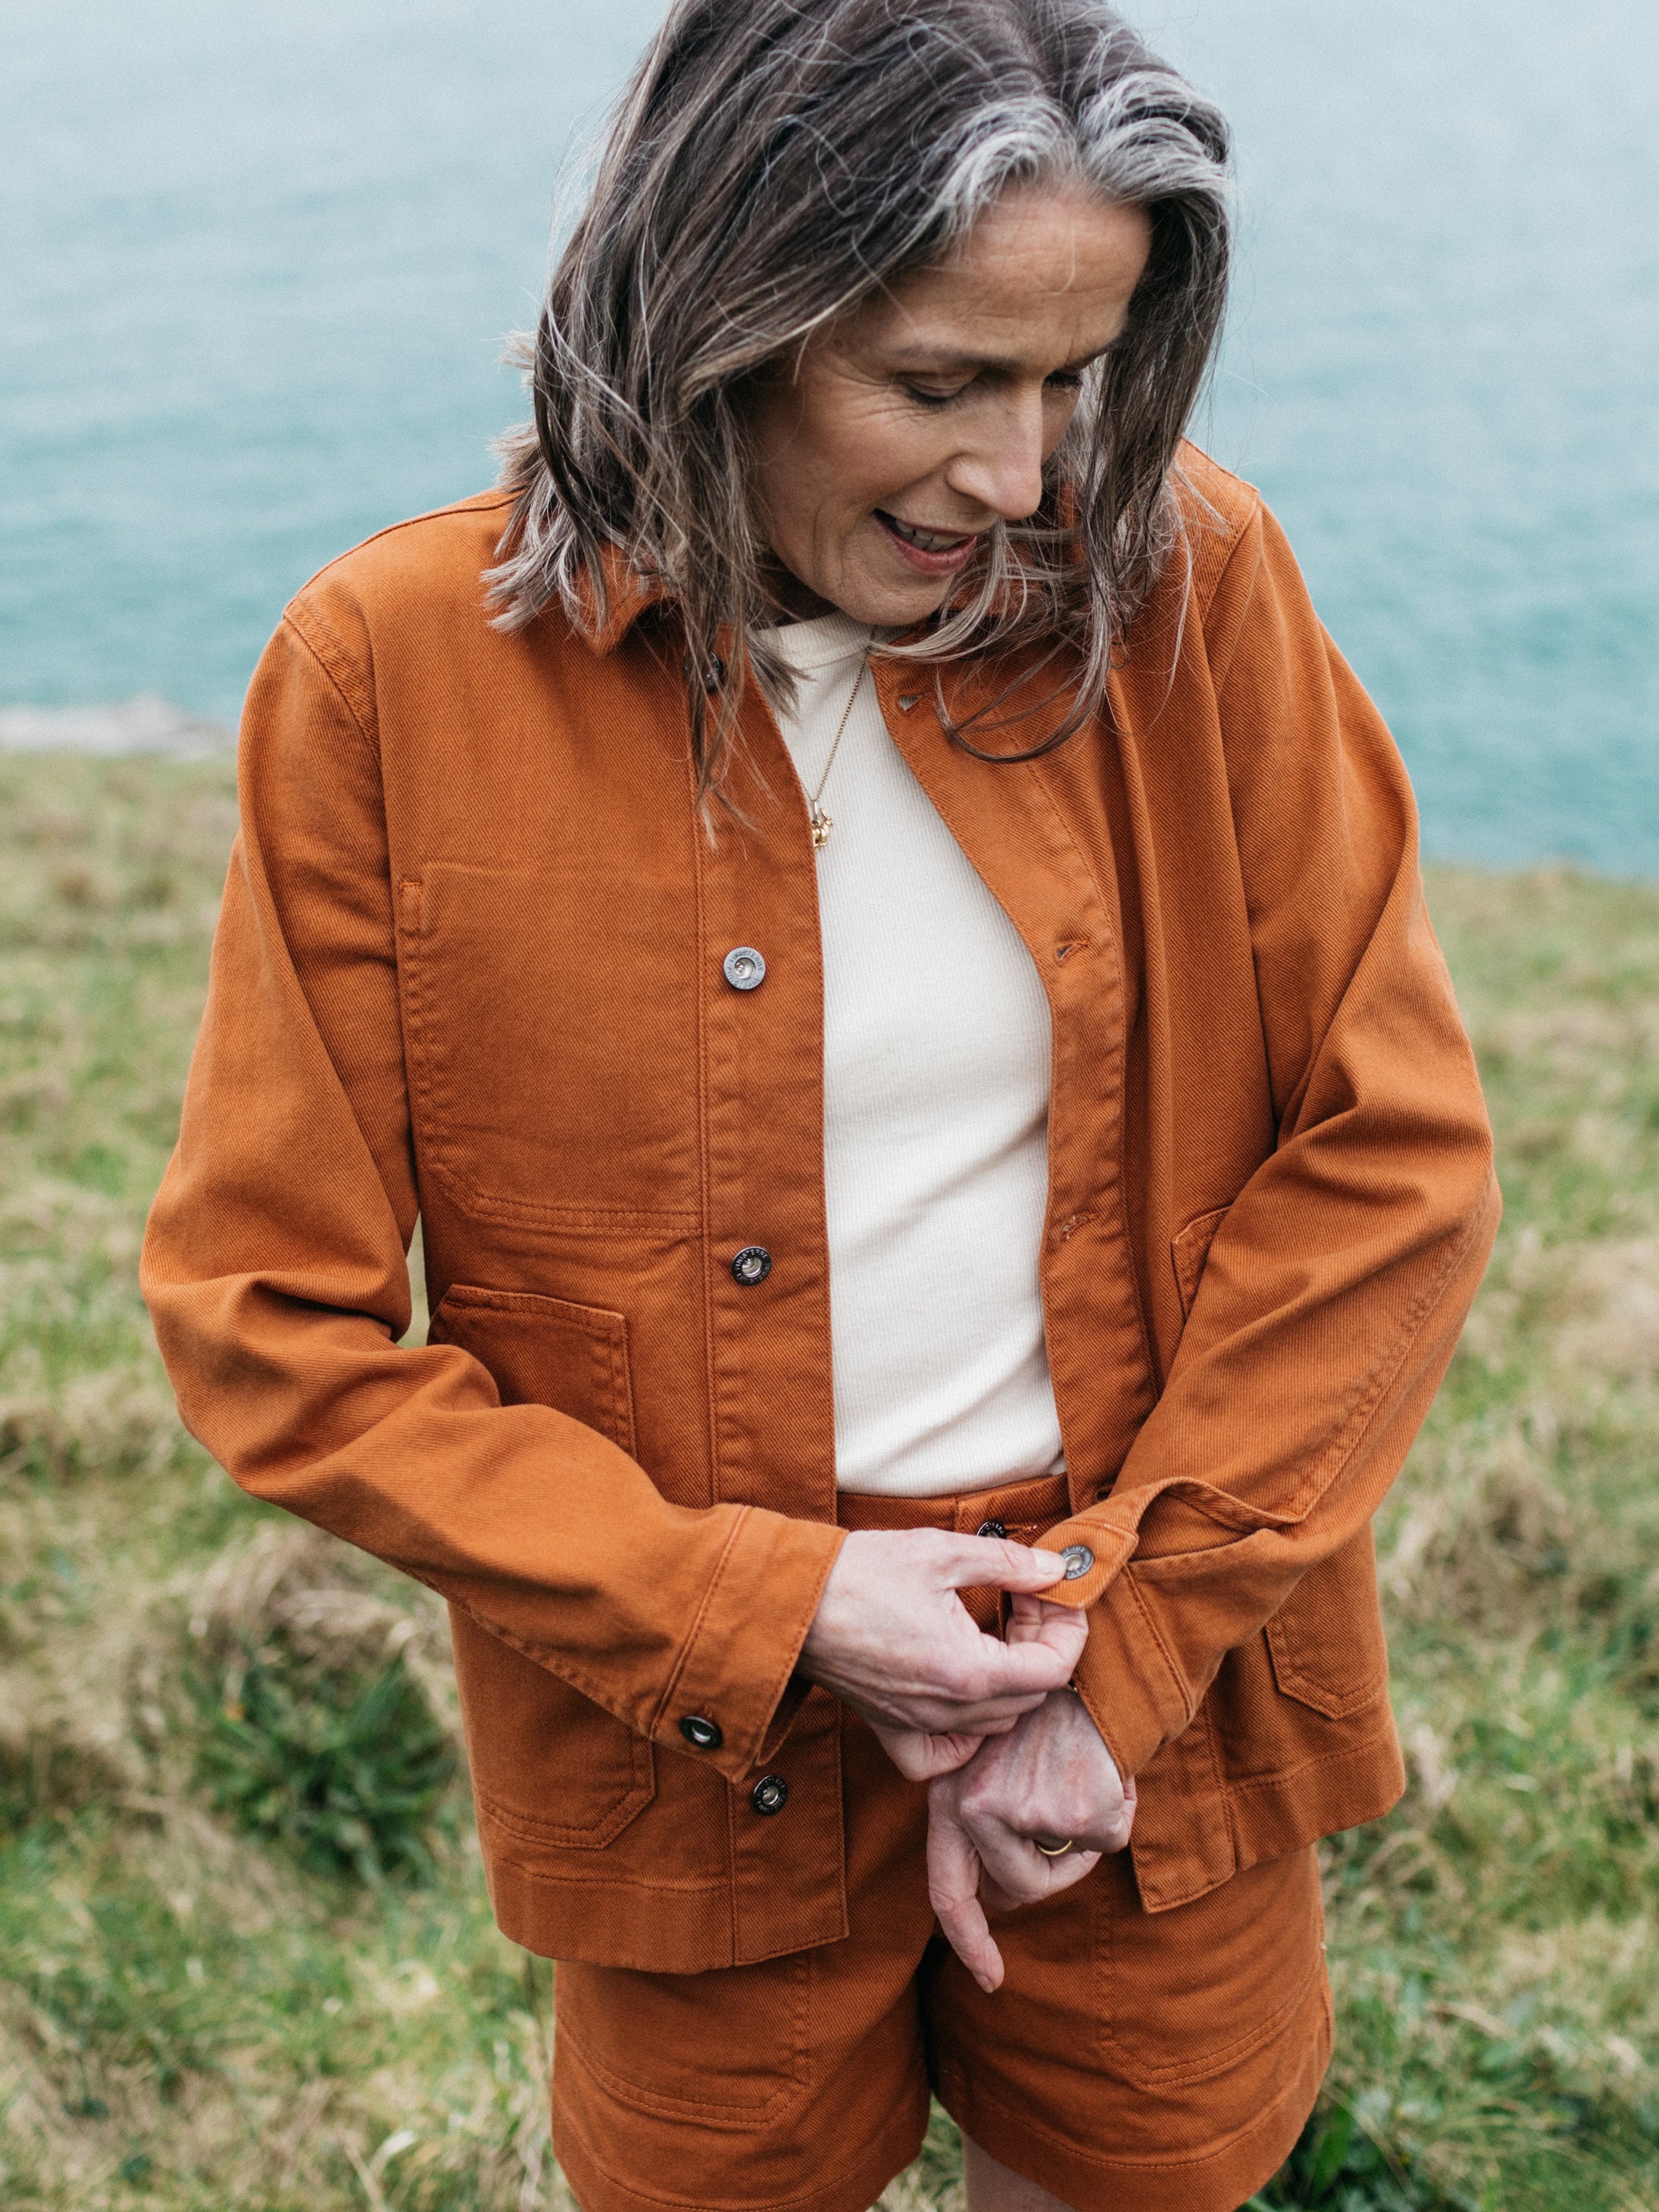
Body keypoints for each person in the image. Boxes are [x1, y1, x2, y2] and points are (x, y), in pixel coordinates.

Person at [140, 2, 1498, 2207]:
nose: (1024, 480)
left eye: (1077, 380)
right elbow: (266, 1327)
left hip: (1152, 1677)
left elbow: (1396, 1164)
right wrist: (761, 1611)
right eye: (941, 385)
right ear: (722, 317)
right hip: (687, 1733)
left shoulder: (1196, 583)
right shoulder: (385, 673)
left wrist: (1116, 1657)